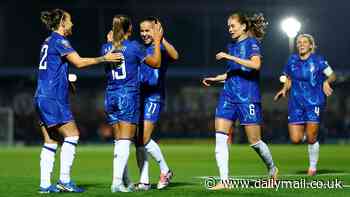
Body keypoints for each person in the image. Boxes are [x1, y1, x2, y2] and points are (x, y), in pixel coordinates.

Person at [35, 9, 122, 193]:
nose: (72, 24)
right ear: (62, 23)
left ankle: (44, 185)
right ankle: (64, 181)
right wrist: (104, 58)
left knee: (50, 141)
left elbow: (51, 69)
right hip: (53, 97)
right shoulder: (60, 40)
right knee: (73, 135)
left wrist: (66, 82)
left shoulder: (48, 41)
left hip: (41, 95)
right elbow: (79, 62)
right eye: (70, 20)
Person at [202, 12, 278, 190]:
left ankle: (272, 170)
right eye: (228, 26)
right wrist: (217, 79)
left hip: (248, 97)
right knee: (220, 137)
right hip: (228, 95)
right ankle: (224, 181)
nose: (230, 29)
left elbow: (255, 65)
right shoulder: (232, 46)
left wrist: (229, 57)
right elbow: (233, 72)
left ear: (243, 26)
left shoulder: (252, 43)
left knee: (255, 142)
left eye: (233, 25)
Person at [100, 14, 162, 192]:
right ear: (130, 30)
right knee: (126, 141)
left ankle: (123, 181)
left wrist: (111, 40)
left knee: (119, 141)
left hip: (110, 96)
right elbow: (156, 62)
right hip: (127, 96)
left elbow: (111, 49)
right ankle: (117, 182)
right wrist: (157, 41)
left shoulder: (105, 48)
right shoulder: (134, 47)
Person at [274, 34, 336, 176]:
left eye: (304, 42)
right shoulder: (292, 60)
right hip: (295, 103)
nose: (301, 44)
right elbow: (288, 78)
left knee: (311, 138)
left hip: (314, 102)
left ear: (310, 46)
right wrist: (284, 89)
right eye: (299, 42)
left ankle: (312, 168)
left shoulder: (319, 61)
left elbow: (332, 75)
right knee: (295, 139)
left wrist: (327, 81)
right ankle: (306, 135)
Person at [135, 17, 179, 191]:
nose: (145, 34)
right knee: (138, 141)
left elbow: (176, 56)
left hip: (154, 97)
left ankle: (163, 171)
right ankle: (146, 180)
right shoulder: (139, 49)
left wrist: (161, 38)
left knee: (144, 138)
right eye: (142, 31)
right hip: (139, 97)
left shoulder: (160, 47)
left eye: (148, 30)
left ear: (156, 30)